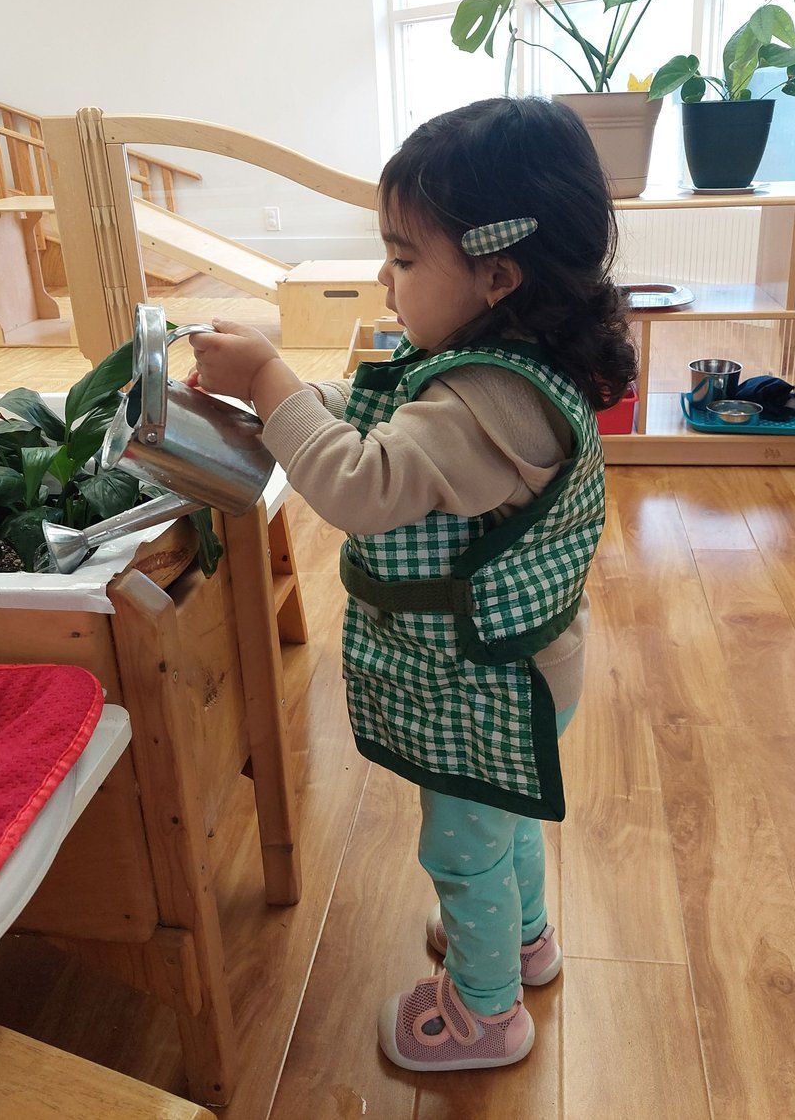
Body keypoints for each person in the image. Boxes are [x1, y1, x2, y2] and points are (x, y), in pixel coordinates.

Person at [188, 96, 636, 1071]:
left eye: (401, 257)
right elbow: (381, 421)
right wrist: (289, 401)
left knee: (462, 849)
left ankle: (486, 1012)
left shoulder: (491, 401)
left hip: (482, 679)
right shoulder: (498, 365)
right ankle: (524, 943)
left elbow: (359, 480)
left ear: (494, 274)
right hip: (518, 674)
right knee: (503, 808)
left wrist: (269, 383)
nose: (387, 281)